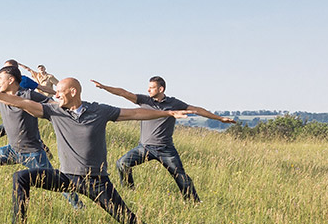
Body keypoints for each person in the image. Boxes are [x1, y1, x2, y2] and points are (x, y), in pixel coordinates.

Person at [0, 76, 193, 224]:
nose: (55, 94)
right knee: (21, 177)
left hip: (96, 181)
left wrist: (168, 113)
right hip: (66, 178)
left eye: (59, 91)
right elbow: (21, 102)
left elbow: (135, 113)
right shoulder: (54, 111)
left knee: (128, 219)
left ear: (73, 92)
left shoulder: (99, 111)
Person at [0, 63, 81, 210]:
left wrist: (75, 112)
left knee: (58, 183)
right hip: (12, 150)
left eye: (0, 79)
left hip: (33, 153)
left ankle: (78, 206)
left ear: (11, 80)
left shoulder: (29, 95)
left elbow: (54, 105)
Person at [91, 76, 235, 201]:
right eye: (148, 87)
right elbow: (123, 93)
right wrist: (104, 87)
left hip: (165, 149)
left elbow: (197, 110)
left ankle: (193, 202)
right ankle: (129, 192)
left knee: (180, 176)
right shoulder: (144, 100)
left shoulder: (174, 103)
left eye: (152, 88)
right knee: (122, 164)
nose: (148, 90)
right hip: (144, 148)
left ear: (161, 89)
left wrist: (220, 118)